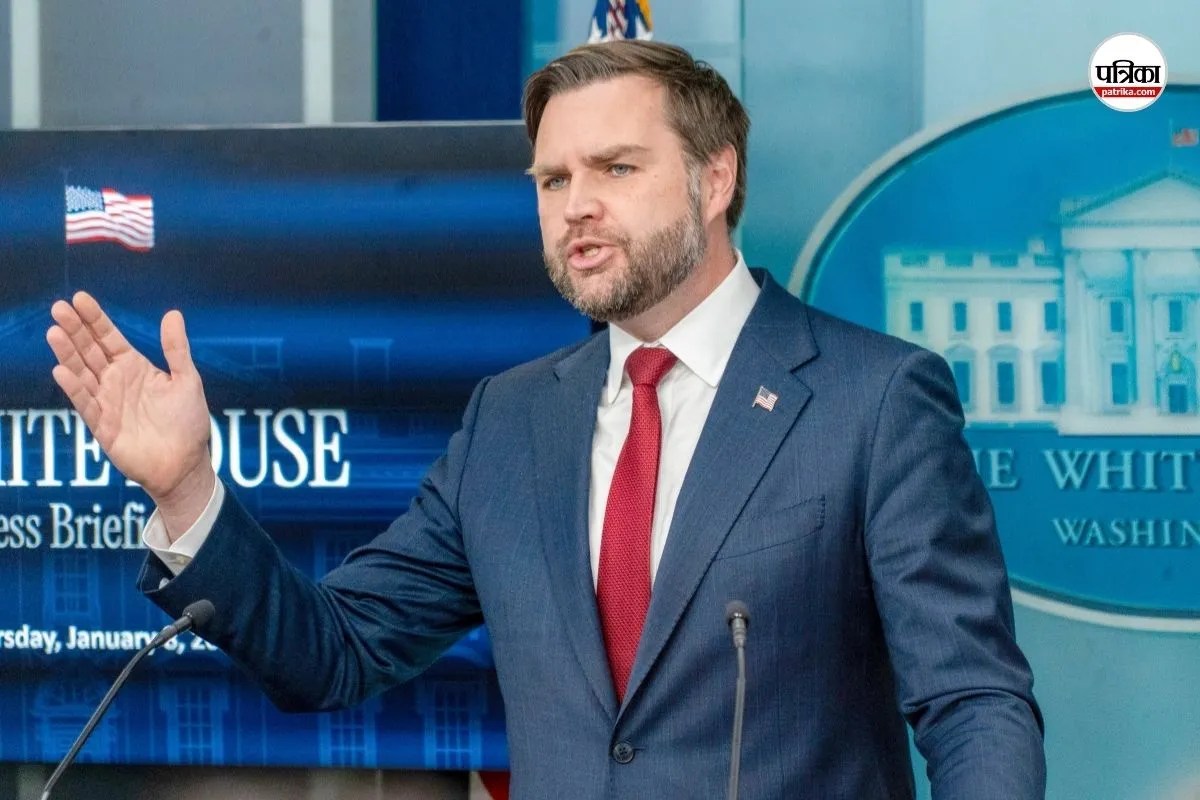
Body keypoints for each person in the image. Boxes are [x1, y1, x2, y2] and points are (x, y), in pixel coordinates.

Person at [46, 40, 1045, 799]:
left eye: (616, 169)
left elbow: (973, 703)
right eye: (554, 180)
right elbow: (335, 649)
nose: (575, 207)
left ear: (716, 177)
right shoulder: (511, 419)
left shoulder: (875, 400)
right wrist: (186, 487)